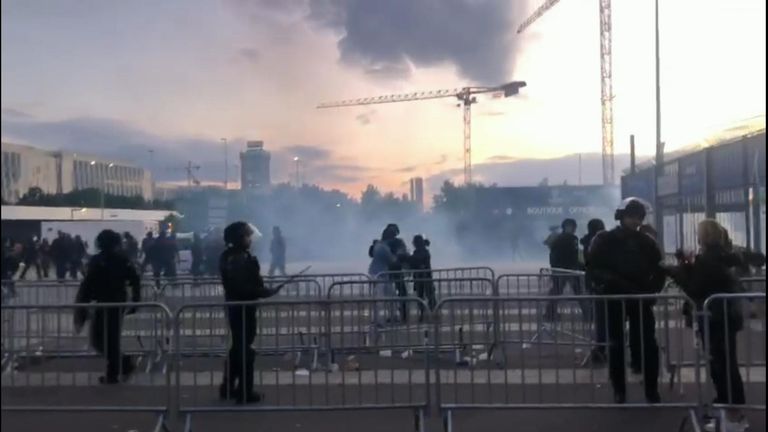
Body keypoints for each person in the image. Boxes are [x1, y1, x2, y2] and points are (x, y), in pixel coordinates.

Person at [668, 220, 750, 432]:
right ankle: (732, 415)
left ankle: (733, 418)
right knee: (725, 364)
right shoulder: (723, 255)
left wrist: (678, 272)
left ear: (704, 236)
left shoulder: (708, 259)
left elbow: (696, 287)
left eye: (699, 233)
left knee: (722, 366)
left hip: (714, 318)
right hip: (725, 316)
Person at [588, 198, 665, 404]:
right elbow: (594, 268)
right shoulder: (604, 239)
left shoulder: (647, 242)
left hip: (641, 298)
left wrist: (651, 292)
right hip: (615, 297)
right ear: (621, 216)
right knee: (616, 345)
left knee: (648, 345)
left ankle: (651, 389)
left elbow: (659, 269)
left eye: (638, 217)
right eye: (631, 216)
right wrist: (613, 283)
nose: (634, 220)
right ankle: (619, 390)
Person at [219, 221, 279, 403]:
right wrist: (264, 292)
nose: (249, 239)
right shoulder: (237, 259)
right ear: (239, 238)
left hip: (238, 306)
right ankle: (245, 391)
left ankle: (228, 387)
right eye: (247, 236)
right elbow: (243, 287)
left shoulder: (232, 256)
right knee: (245, 350)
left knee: (238, 348)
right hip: (242, 307)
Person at [74, 229, 141, 384]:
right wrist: (136, 300)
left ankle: (116, 371)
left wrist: (82, 307)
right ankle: (122, 365)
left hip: (109, 302)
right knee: (106, 339)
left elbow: (87, 285)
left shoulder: (102, 260)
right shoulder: (118, 259)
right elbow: (135, 280)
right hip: (114, 302)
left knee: (103, 339)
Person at [545, 218, 589, 322]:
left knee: (556, 291)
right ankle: (588, 314)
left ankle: (550, 313)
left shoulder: (558, 238)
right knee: (578, 292)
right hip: (569, 269)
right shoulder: (571, 238)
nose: (572, 229)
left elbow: (553, 254)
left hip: (560, 269)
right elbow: (573, 255)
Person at [581, 218, 607, 363]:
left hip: (594, 283)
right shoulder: (601, 241)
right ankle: (602, 348)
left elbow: (586, 263)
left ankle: (600, 348)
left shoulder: (586, 242)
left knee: (601, 318)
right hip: (603, 284)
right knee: (605, 319)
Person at [408, 235, 436, 322]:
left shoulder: (424, 252)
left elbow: (417, 262)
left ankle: (431, 314)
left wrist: (409, 259)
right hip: (420, 277)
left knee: (428, 296)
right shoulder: (418, 252)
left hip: (425, 277)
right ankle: (425, 314)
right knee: (422, 297)